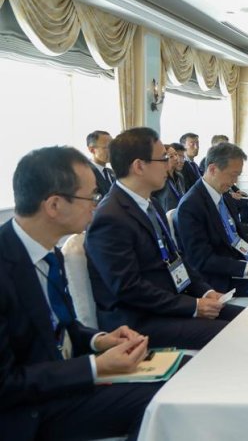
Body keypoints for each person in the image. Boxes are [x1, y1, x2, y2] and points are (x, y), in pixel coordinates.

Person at [0, 146, 159, 440]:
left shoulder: (50, 253)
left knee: (170, 379)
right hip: (27, 411)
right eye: (91, 197)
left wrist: (100, 340)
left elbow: (61, 326)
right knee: (156, 402)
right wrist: (94, 367)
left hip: (61, 382)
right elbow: (6, 383)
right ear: (54, 205)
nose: (96, 206)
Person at [85, 127, 241, 350]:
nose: (169, 164)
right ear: (139, 166)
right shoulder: (110, 218)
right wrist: (193, 306)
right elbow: (129, 288)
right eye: (163, 158)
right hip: (139, 321)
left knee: (247, 319)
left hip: (171, 303)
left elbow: (176, 258)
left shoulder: (151, 204)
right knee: (233, 336)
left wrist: (204, 291)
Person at [175, 143, 248, 295]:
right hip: (219, 281)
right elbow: (202, 260)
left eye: (238, 175)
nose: (234, 181)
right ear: (213, 169)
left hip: (240, 268)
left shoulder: (225, 196)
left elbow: (242, 236)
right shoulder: (190, 206)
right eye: (232, 175)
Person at [152, 144, 184, 213]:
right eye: (171, 156)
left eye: (176, 154)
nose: (176, 158)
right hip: (165, 216)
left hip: (180, 214)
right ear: (163, 159)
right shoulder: (159, 178)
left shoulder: (180, 177)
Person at [86, 130, 114, 196]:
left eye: (113, 147)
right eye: (107, 147)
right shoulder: (86, 173)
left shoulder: (111, 172)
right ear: (92, 150)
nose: (112, 150)